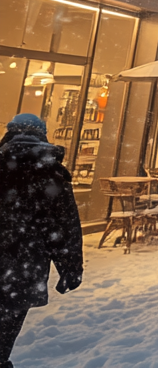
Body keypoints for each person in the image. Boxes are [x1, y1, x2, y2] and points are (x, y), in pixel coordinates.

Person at [0, 114, 83, 368]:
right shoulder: (52, 173)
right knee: (6, 331)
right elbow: (63, 227)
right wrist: (70, 268)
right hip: (25, 265)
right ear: (43, 135)